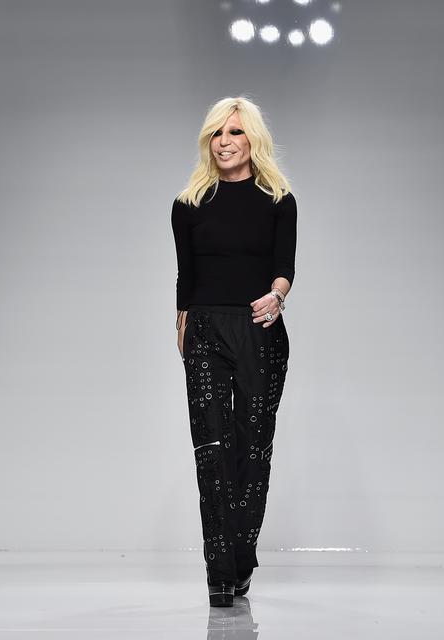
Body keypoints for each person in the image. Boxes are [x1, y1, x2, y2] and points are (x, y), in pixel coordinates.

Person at [171, 96, 297, 607]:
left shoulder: (279, 200)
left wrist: (278, 295)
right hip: (204, 329)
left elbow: (284, 266)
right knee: (212, 451)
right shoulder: (188, 204)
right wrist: (181, 323)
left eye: (236, 132)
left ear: (253, 140)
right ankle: (219, 573)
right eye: (218, 133)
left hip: (258, 329)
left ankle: (242, 560)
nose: (225, 142)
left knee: (252, 449)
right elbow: (185, 274)